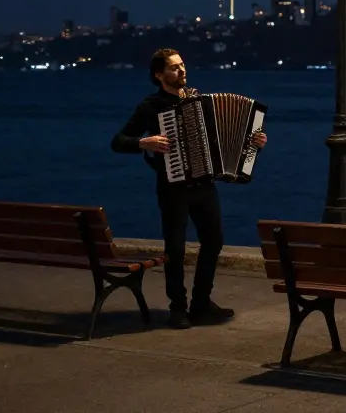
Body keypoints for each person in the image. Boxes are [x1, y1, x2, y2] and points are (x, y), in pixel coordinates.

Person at [110, 48, 267, 330]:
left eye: (182, 65)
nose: (181, 71)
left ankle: (201, 302)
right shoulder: (151, 106)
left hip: (204, 185)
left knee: (214, 241)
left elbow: (224, 141)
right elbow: (119, 140)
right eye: (173, 68)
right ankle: (178, 308)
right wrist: (144, 143)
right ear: (159, 75)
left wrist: (252, 140)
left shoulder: (198, 99)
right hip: (173, 187)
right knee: (176, 248)